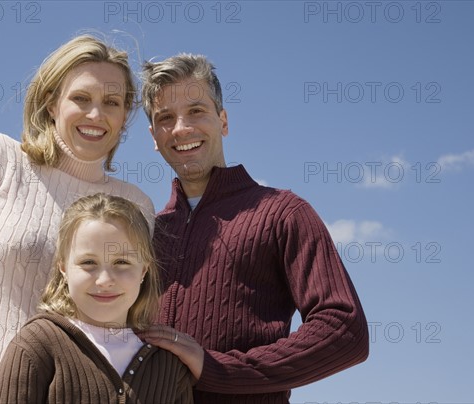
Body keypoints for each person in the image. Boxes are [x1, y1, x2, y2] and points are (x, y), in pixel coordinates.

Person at [0, 34, 155, 404]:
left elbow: (132, 319)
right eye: (81, 98)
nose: (96, 114)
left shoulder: (136, 204)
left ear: (124, 116)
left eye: (112, 102)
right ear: (51, 103)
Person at [138, 54, 370, 403]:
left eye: (197, 111)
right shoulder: (145, 232)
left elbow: (345, 330)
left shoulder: (283, 212)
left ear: (223, 120)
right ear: (154, 136)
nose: (182, 128)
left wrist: (216, 368)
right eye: (165, 118)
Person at [0, 192, 193, 403]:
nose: (104, 280)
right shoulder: (36, 345)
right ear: (63, 268)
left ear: (143, 271)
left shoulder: (167, 362)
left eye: (122, 262)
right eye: (88, 263)